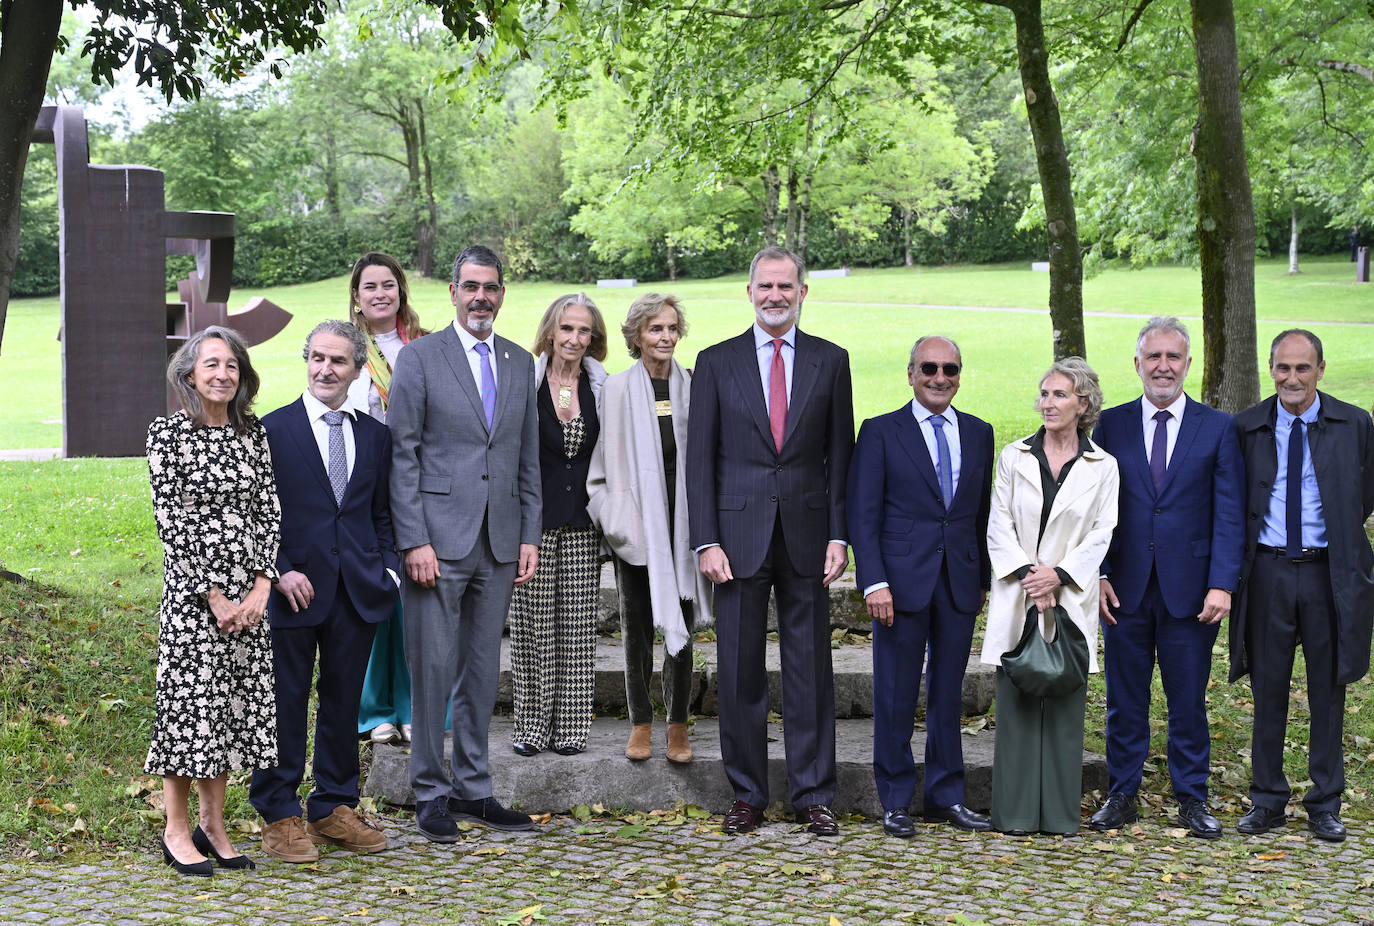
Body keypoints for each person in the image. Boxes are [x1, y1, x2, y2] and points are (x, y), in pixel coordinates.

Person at [687, 246, 854, 837]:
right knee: (739, 672)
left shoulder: (831, 361)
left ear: (802, 291)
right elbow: (699, 461)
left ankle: (813, 794)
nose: (775, 296)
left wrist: (839, 534)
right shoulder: (715, 362)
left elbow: (840, 457)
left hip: (808, 535)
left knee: (810, 670)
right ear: (750, 292)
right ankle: (748, 794)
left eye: (786, 286)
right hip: (736, 539)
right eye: (766, 286)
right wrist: (705, 539)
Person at [388, 245, 541, 840]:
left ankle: (474, 789)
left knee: (480, 670)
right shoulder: (421, 358)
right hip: (436, 543)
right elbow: (402, 455)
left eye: (491, 287)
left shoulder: (519, 361)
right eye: (471, 286)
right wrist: (413, 540)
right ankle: (430, 791)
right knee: (432, 669)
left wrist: (529, 533)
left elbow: (525, 456)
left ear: (502, 294)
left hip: (499, 542)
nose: (481, 297)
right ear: (452, 292)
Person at [247, 321, 399, 863]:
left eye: (338, 361)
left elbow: (381, 514)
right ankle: (279, 813)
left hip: (357, 590)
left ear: (358, 370)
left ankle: (333, 806)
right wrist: (279, 570)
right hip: (292, 590)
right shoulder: (270, 430)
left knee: (342, 701)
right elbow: (255, 514)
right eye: (317, 358)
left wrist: (388, 571)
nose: (325, 369)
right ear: (306, 361)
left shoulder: (375, 436)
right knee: (283, 702)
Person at [1089, 316, 1244, 839]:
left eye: (1172, 356)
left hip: (1193, 592)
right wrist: (1100, 572)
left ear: (1188, 363)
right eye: (1153, 357)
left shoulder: (1218, 427)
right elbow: (1095, 509)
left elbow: (1230, 513)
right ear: (1137, 364)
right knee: (1124, 700)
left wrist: (1222, 583)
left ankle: (1192, 797)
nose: (1162, 366)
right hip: (1123, 589)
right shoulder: (1110, 425)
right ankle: (1122, 793)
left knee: (1188, 702)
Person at [145, 326, 281, 877]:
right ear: (189, 374)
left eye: (231, 365)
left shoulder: (253, 434)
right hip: (194, 596)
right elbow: (171, 522)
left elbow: (268, 510)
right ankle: (176, 830)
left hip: (249, 599)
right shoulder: (168, 434)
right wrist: (215, 595)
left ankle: (214, 825)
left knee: (226, 711)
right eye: (211, 365)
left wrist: (262, 586)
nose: (222, 374)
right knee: (189, 711)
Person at [1230, 329, 1374, 842]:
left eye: (1303, 368)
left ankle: (1324, 801)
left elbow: (1363, 495)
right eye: (1283, 368)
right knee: (1268, 688)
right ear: (1271, 369)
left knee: (1328, 689)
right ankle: (1267, 799)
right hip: (1268, 572)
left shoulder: (1355, 423)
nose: (1292, 378)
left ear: (1320, 370)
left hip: (1328, 573)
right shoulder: (1247, 426)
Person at [847, 336, 993, 837]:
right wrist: (873, 581)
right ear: (910, 373)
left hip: (958, 583)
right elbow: (863, 513)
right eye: (929, 367)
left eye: (950, 369)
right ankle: (895, 800)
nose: (939, 377)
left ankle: (946, 796)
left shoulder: (979, 433)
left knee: (948, 695)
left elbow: (980, 513)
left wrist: (981, 578)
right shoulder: (880, 431)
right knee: (895, 694)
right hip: (898, 584)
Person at [981, 357, 1119, 835]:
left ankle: (1059, 816)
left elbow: (1102, 532)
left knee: (1064, 704)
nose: (1048, 403)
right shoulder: (1013, 456)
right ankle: (1015, 814)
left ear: (1084, 403)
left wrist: (1058, 576)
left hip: (1069, 596)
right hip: (1019, 591)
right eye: (1044, 393)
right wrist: (1031, 577)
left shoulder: (1104, 466)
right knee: (1017, 698)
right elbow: (998, 523)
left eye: (1060, 394)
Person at [587, 293, 711, 764]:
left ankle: (678, 723)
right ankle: (641, 721)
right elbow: (600, 460)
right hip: (635, 526)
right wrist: (612, 514)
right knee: (636, 628)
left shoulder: (694, 385)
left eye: (672, 328)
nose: (666, 337)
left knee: (681, 623)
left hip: (684, 525)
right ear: (637, 336)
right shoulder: (616, 389)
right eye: (656, 329)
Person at [508, 294, 608, 757]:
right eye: (567, 328)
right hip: (533, 525)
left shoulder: (601, 387)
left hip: (583, 524)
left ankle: (570, 728)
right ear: (550, 331)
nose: (574, 338)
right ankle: (531, 726)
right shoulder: (524, 383)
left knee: (578, 630)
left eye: (583, 330)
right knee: (532, 630)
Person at [345, 251, 429, 747]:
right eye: (370, 286)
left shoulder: (426, 346)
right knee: (376, 594)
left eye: (388, 284)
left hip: (421, 486)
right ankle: (375, 709)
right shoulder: (344, 348)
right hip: (364, 485)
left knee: (418, 601)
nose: (380, 294)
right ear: (356, 297)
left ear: (401, 290)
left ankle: (415, 706)